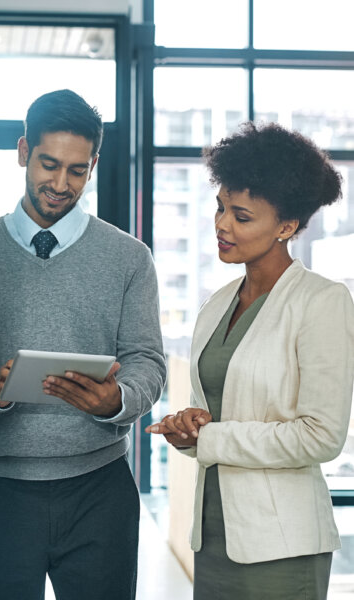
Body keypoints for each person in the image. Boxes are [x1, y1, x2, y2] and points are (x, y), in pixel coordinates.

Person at [0, 89, 166, 600]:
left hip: (100, 489)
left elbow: (147, 361)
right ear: (23, 150)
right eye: (49, 164)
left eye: (77, 170)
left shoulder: (129, 258)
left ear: (94, 164)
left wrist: (117, 401)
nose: (59, 184)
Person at [147, 122, 354, 600]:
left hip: (281, 545)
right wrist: (189, 429)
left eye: (241, 216)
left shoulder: (322, 302)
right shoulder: (216, 302)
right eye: (220, 208)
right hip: (214, 536)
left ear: (286, 227)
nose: (221, 225)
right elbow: (213, 416)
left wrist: (212, 436)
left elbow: (322, 436)